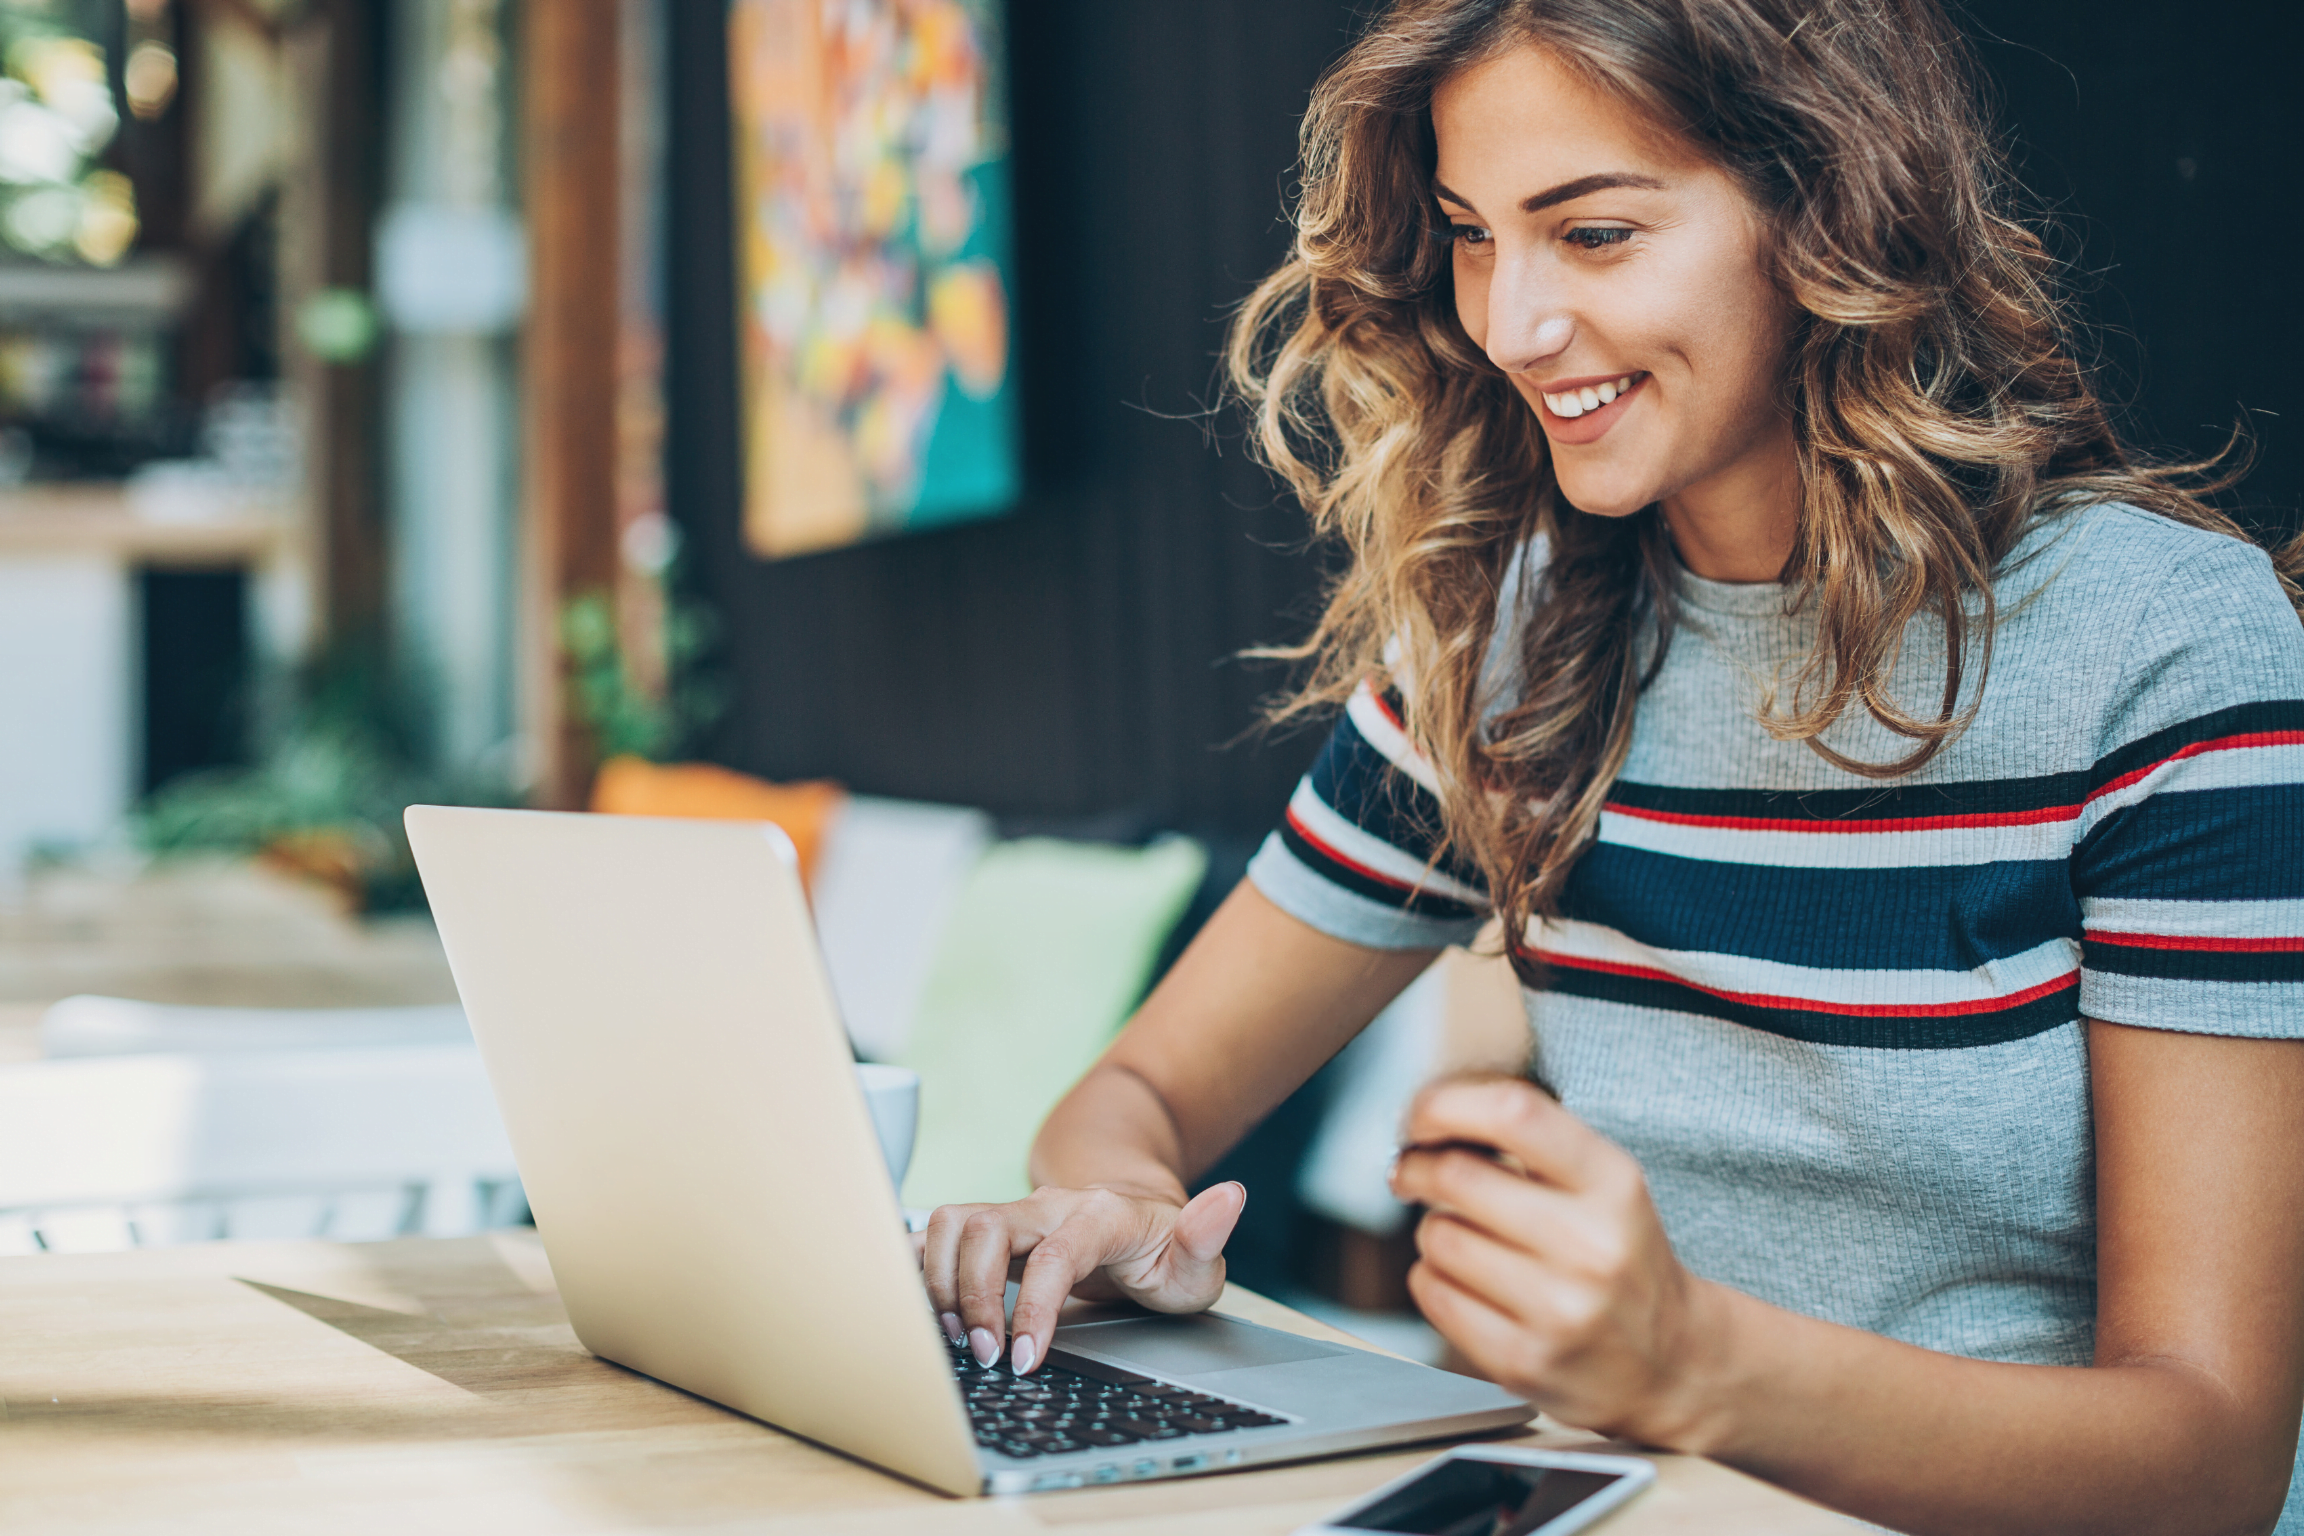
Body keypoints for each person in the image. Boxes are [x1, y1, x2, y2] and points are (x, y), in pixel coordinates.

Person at [916, 1, 2304, 1530]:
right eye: (1471, 236)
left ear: (1822, 211)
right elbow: (1139, 1089)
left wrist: (1699, 1363)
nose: (1510, 323)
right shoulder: (1512, 646)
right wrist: (1120, 1203)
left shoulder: (2161, 644)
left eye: (1591, 235)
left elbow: (2215, 1462)